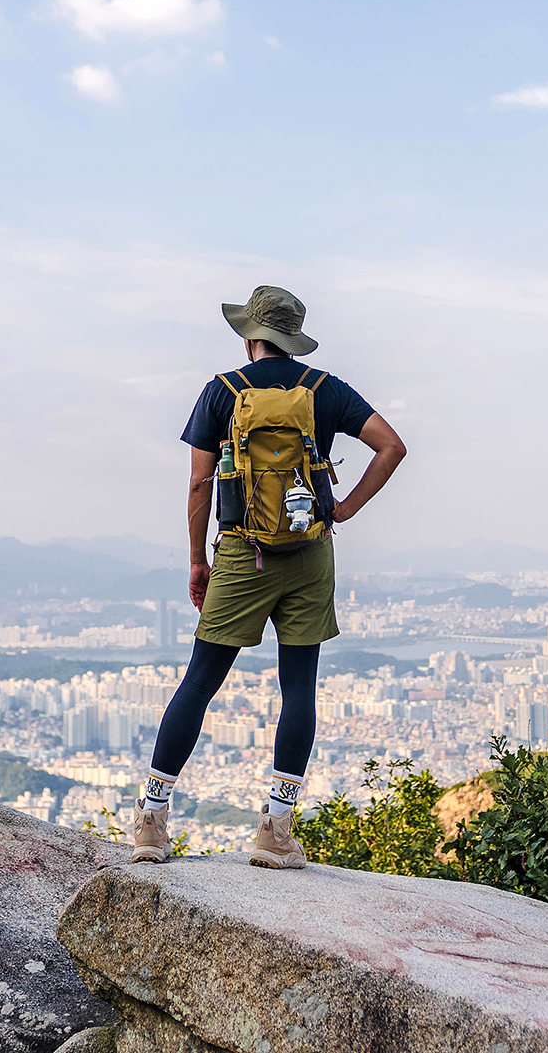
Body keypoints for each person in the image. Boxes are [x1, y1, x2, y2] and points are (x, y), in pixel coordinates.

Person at [132, 285, 406, 867]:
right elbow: (391, 447)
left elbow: (199, 484)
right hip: (309, 553)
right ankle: (275, 830)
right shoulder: (325, 389)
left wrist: (197, 560)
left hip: (240, 551)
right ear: (291, 337)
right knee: (298, 687)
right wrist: (344, 508)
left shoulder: (222, 391)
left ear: (252, 337)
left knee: (200, 681)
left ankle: (152, 822)